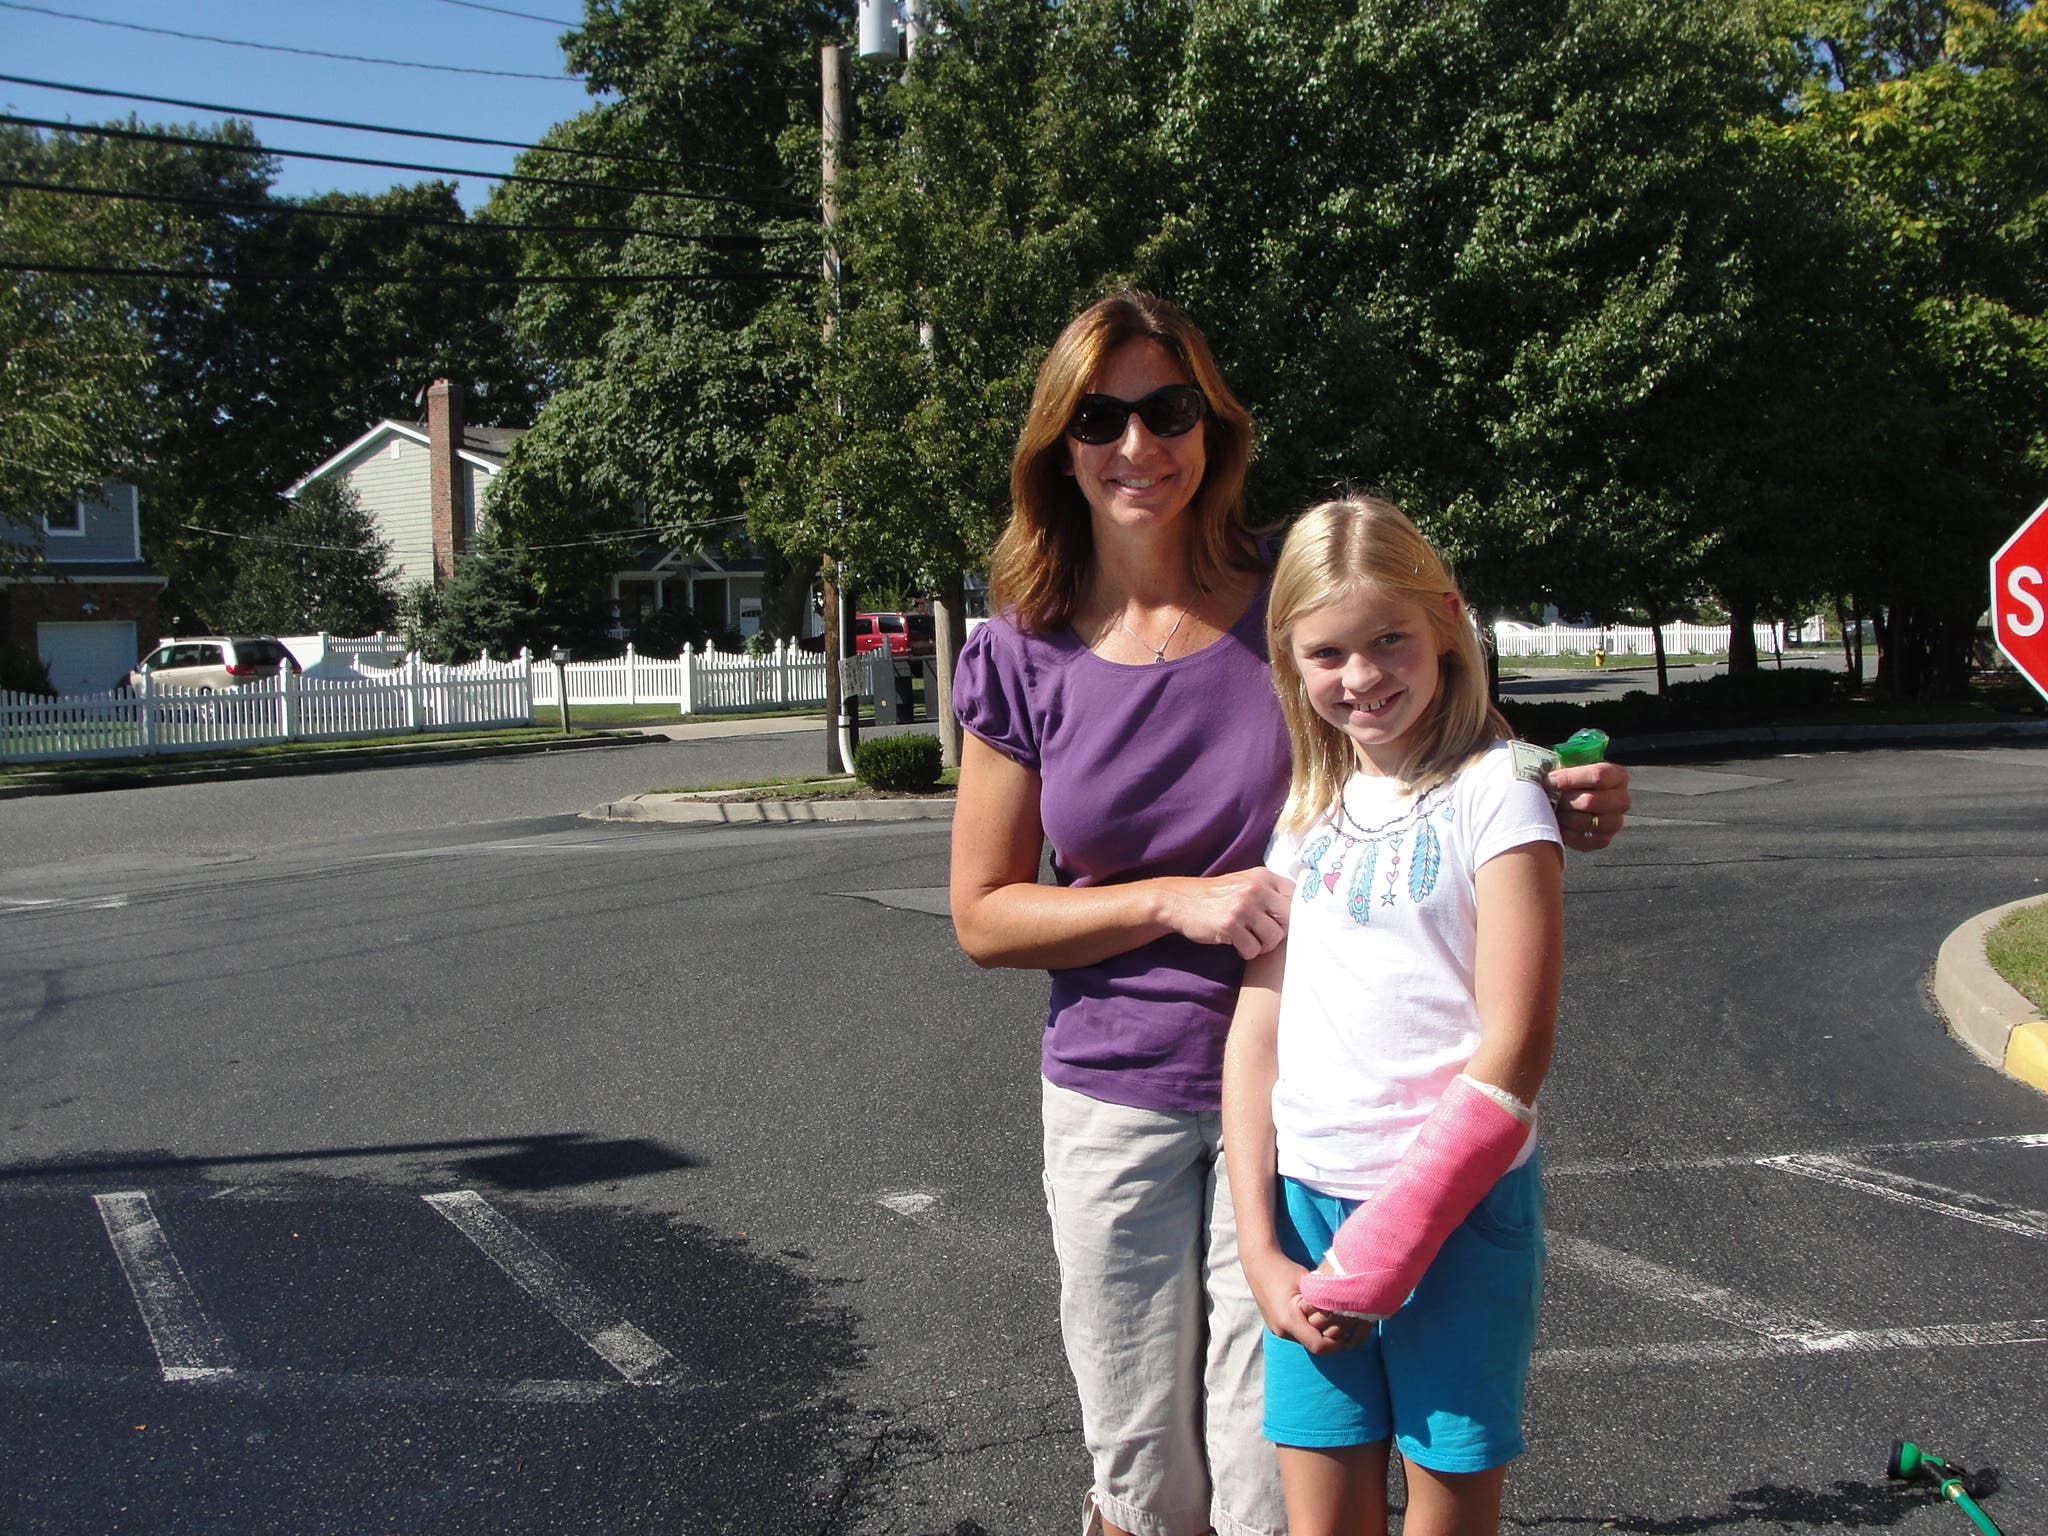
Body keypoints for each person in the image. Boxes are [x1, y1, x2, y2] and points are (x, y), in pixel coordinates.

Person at [947, 289, 1629, 1536]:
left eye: (1168, 410)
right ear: (1058, 443)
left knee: (1271, 1485)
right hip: (1116, 1089)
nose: (1137, 444)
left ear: (1211, 425)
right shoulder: (1019, 648)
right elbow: (984, 916)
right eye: (1100, 417)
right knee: (1143, 1476)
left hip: (1309, 1101)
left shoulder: (1294, 599)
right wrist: (1173, 903)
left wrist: (1557, 788)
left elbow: (1449, 739)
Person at [1222, 494, 1563, 1536]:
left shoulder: (1499, 792)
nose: (1360, 675)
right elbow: (1256, 1035)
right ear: (1289, 662)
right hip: (1307, 1210)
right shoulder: (1303, 816)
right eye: (1326, 653)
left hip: (1454, 1213)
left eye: (1387, 640)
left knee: (1447, 1510)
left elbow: (1515, 1050)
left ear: (1445, 622)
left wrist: (1393, 1243)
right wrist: (1258, 1249)